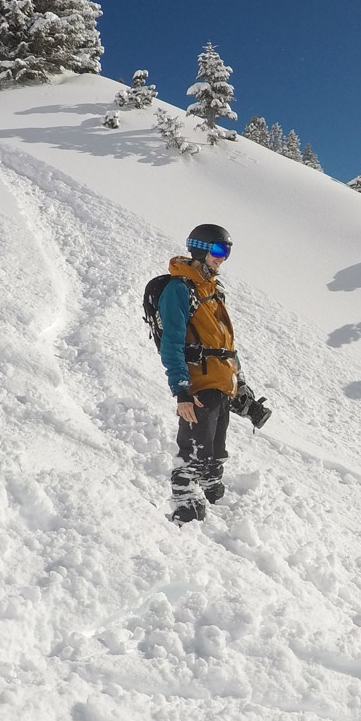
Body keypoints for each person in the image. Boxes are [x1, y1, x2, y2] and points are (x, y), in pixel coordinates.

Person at [157, 224, 241, 523]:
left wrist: (238, 380)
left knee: (216, 450)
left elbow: (225, 341)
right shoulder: (180, 289)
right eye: (218, 250)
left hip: (221, 383)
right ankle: (185, 511)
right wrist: (181, 391)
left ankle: (212, 493)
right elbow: (172, 343)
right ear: (200, 249)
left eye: (227, 251)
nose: (223, 257)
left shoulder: (212, 290)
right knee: (192, 452)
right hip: (198, 385)